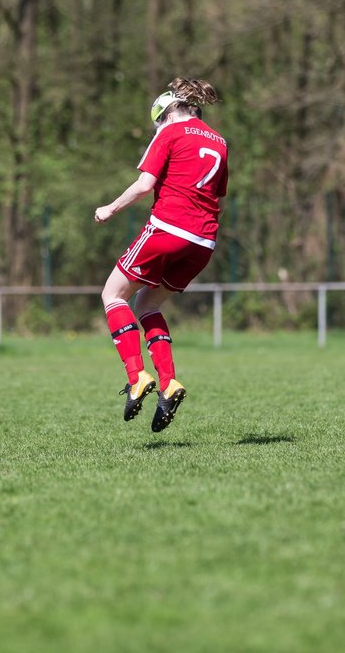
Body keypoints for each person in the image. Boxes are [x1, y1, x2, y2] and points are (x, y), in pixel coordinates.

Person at [94, 77, 228, 432]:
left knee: (112, 294)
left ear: (167, 114)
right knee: (146, 305)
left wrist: (110, 208)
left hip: (168, 229)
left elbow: (144, 185)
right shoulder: (219, 141)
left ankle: (137, 376)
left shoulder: (170, 132)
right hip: (203, 242)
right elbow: (217, 192)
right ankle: (168, 382)